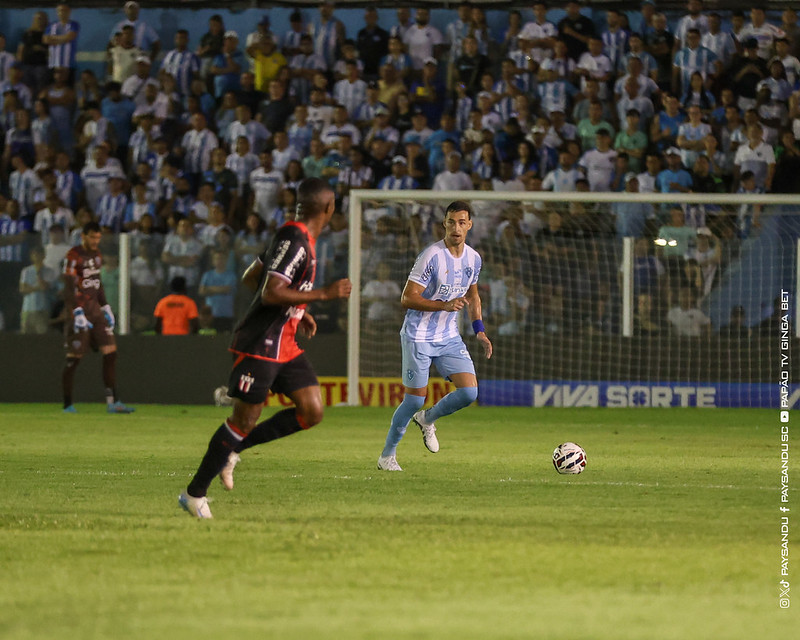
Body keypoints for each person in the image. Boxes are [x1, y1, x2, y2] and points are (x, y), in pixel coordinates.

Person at [178, 177, 352, 518]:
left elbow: (251, 276)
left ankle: (232, 450)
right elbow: (271, 291)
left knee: (311, 410)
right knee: (244, 419)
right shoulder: (296, 239)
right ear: (329, 209)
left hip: (284, 342)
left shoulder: (292, 238)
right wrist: (321, 295)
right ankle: (194, 493)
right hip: (260, 342)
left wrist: (298, 309)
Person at [377, 200, 492, 472]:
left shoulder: (473, 258)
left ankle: (427, 419)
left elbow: (473, 296)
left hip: (448, 336)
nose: (456, 227)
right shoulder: (432, 256)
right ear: (444, 223)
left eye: (462, 222)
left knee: (469, 392)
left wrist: (480, 330)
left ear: (469, 225)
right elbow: (407, 298)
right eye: (451, 222)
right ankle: (387, 456)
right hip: (418, 336)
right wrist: (444, 305)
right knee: (414, 398)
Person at [61, 221, 134, 414]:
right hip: (79, 312)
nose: (96, 241)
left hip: (96, 312)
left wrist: (106, 306)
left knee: (111, 352)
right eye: (92, 237)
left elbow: (97, 283)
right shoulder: (73, 255)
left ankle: (113, 402)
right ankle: (67, 404)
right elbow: (68, 287)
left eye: (98, 237)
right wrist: (76, 311)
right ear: (83, 236)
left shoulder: (97, 255)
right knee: (74, 358)